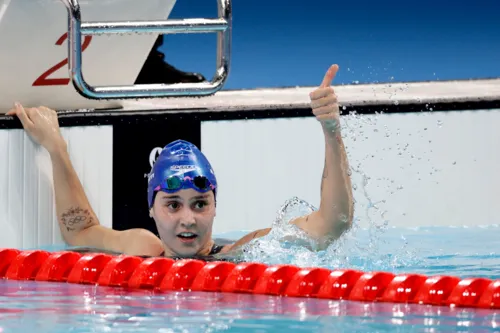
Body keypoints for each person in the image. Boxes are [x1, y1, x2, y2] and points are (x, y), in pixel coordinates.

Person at [7, 64, 353, 257]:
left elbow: (332, 224)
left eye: (200, 204)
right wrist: (56, 148)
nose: (188, 220)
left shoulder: (240, 254)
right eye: (173, 205)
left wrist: (331, 131)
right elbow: (79, 230)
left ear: (215, 206)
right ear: (151, 209)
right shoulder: (142, 246)